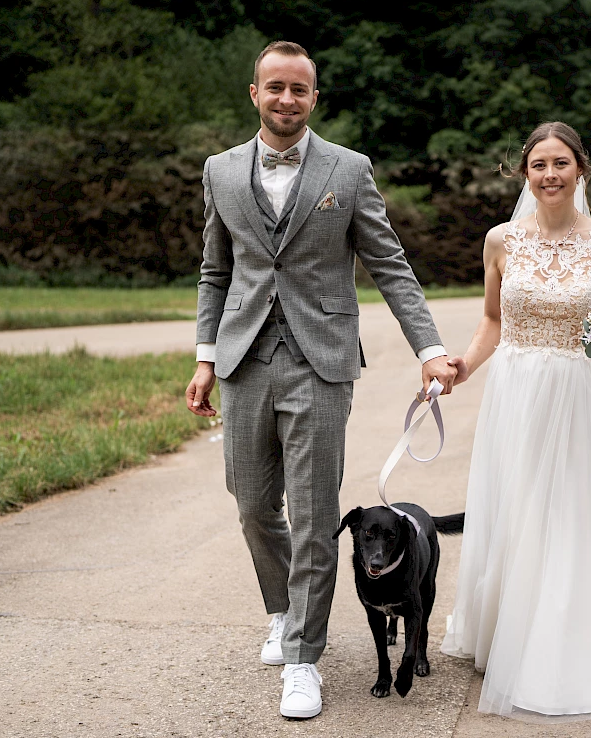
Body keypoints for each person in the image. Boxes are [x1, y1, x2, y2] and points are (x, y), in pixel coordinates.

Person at [184, 40, 457, 720]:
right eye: (274, 87)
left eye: (298, 89)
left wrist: (429, 347)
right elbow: (216, 271)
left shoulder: (349, 169)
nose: (286, 99)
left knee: (312, 519)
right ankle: (283, 610)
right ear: (255, 93)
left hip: (322, 363)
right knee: (251, 505)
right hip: (245, 359)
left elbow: (390, 265)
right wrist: (204, 356)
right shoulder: (220, 171)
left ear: (314, 97)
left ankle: (303, 659)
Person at [440, 121, 591, 719]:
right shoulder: (500, 241)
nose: (550, 175)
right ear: (524, 174)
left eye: (561, 163)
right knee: (518, 508)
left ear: (581, 170)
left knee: (569, 512)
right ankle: (507, 628)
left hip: (579, 395)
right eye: (539, 165)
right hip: (515, 393)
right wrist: (461, 367)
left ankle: (561, 642)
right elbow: (492, 321)